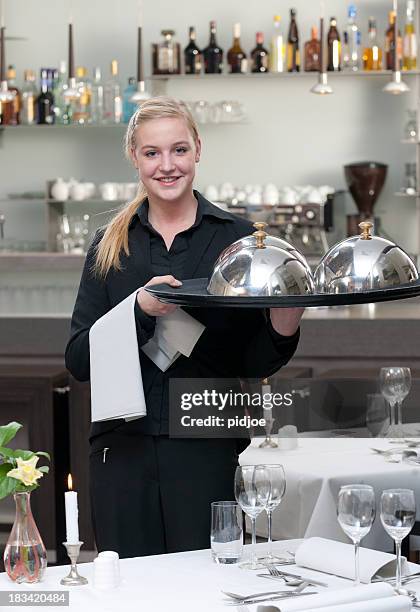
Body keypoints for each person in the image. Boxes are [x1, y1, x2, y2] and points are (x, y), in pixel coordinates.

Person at [65, 96, 304, 559]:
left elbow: (252, 361)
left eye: (178, 150)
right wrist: (139, 309)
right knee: (130, 590)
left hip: (207, 440)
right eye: (152, 153)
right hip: (122, 449)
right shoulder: (109, 244)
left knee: (208, 584)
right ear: (134, 157)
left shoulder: (237, 240)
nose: (167, 165)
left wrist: (284, 325)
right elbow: (77, 359)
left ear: (198, 149)